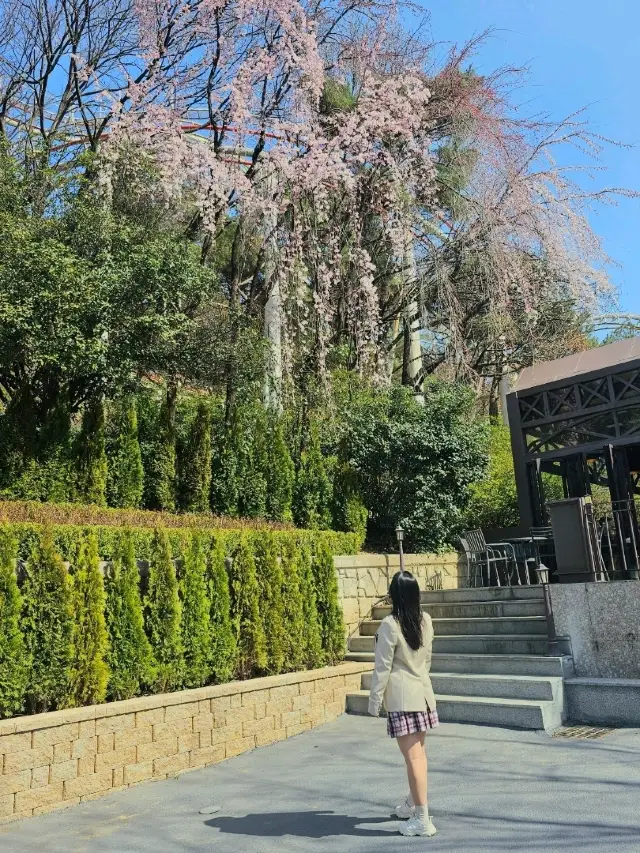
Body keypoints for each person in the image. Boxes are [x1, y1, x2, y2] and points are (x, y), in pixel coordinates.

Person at [368, 570, 438, 837]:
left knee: (414, 758)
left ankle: (422, 818)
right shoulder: (426, 620)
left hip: (402, 698)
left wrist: (374, 701)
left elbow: (382, 667)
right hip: (422, 695)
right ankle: (412, 803)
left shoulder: (390, 624)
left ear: (394, 596)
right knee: (419, 755)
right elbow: (428, 659)